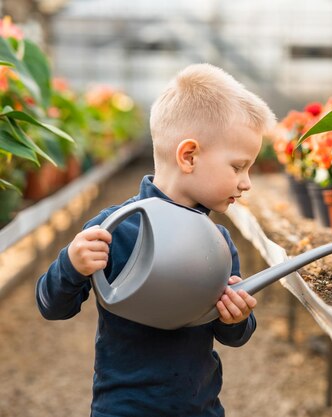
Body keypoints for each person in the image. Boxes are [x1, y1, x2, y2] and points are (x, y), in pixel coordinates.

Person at [35, 64, 276, 417]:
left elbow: (235, 337)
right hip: (123, 409)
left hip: (200, 407)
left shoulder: (218, 242)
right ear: (189, 156)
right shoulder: (115, 228)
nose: (246, 182)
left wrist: (235, 318)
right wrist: (70, 263)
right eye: (238, 167)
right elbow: (52, 306)